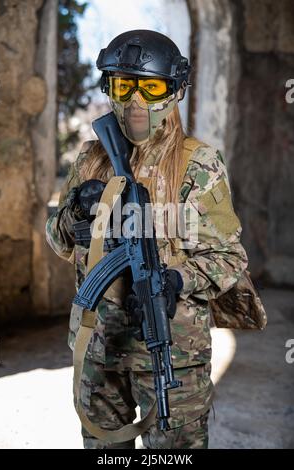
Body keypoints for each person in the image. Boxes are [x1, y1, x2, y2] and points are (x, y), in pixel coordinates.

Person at [46, 30, 248, 449]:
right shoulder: (90, 158)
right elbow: (60, 242)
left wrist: (176, 281)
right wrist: (78, 212)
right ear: (110, 90)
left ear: (173, 93)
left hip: (173, 351)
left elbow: (228, 258)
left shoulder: (198, 164)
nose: (136, 101)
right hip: (99, 348)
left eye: (150, 87)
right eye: (124, 86)